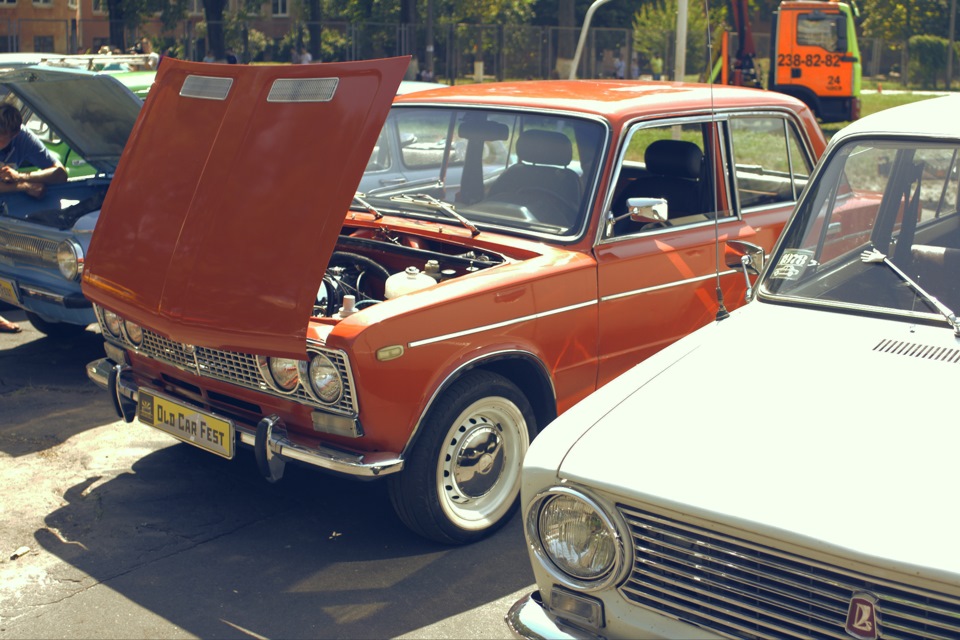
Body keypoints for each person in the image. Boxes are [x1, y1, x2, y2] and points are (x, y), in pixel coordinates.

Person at [0, 104, 67, 200]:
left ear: (14, 135)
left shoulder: (24, 139)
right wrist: (25, 186)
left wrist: (19, 176)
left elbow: (60, 174)